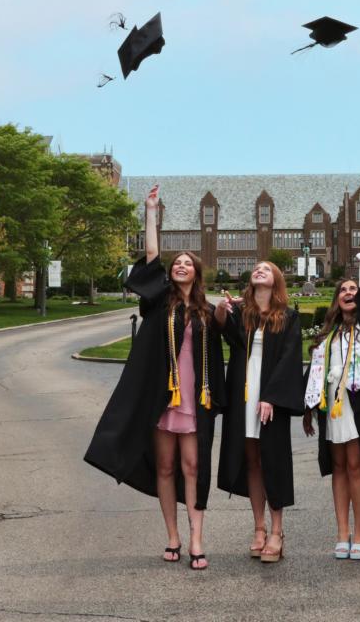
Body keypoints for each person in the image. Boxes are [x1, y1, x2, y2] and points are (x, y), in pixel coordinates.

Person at [84, 186, 228, 570]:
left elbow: (231, 335)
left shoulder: (207, 311)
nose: (180, 265)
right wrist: (150, 213)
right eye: (176, 262)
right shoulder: (158, 303)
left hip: (196, 402)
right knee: (164, 468)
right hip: (163, 401)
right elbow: (150, 258)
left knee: (193, 468)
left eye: (187, 262)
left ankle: (197, 537)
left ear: (197, 272)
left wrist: (227, 313)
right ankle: (173, 536)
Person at [301, 224, 360, 562]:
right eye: (344, 289)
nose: (350, 292)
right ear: (337, 299)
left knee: (356, 465)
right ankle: (341, 533)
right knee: (338, 466)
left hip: (359, 405)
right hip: (333, 409)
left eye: (355, 288)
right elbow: (315, 373)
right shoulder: (328, 334)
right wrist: (309, 408)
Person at [213, 261, 304, 563]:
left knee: (271, 461)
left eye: (267, 268)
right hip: (244, 395)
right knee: (251, 459)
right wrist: (223, 310)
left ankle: (277, 531)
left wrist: (272, 397)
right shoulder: (243, 315)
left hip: (269, 399)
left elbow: (290, 358)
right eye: (256, 269)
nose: (260, 270)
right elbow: (224, 332)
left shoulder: (288, 318)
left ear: (276, 280)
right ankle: (259, 529)